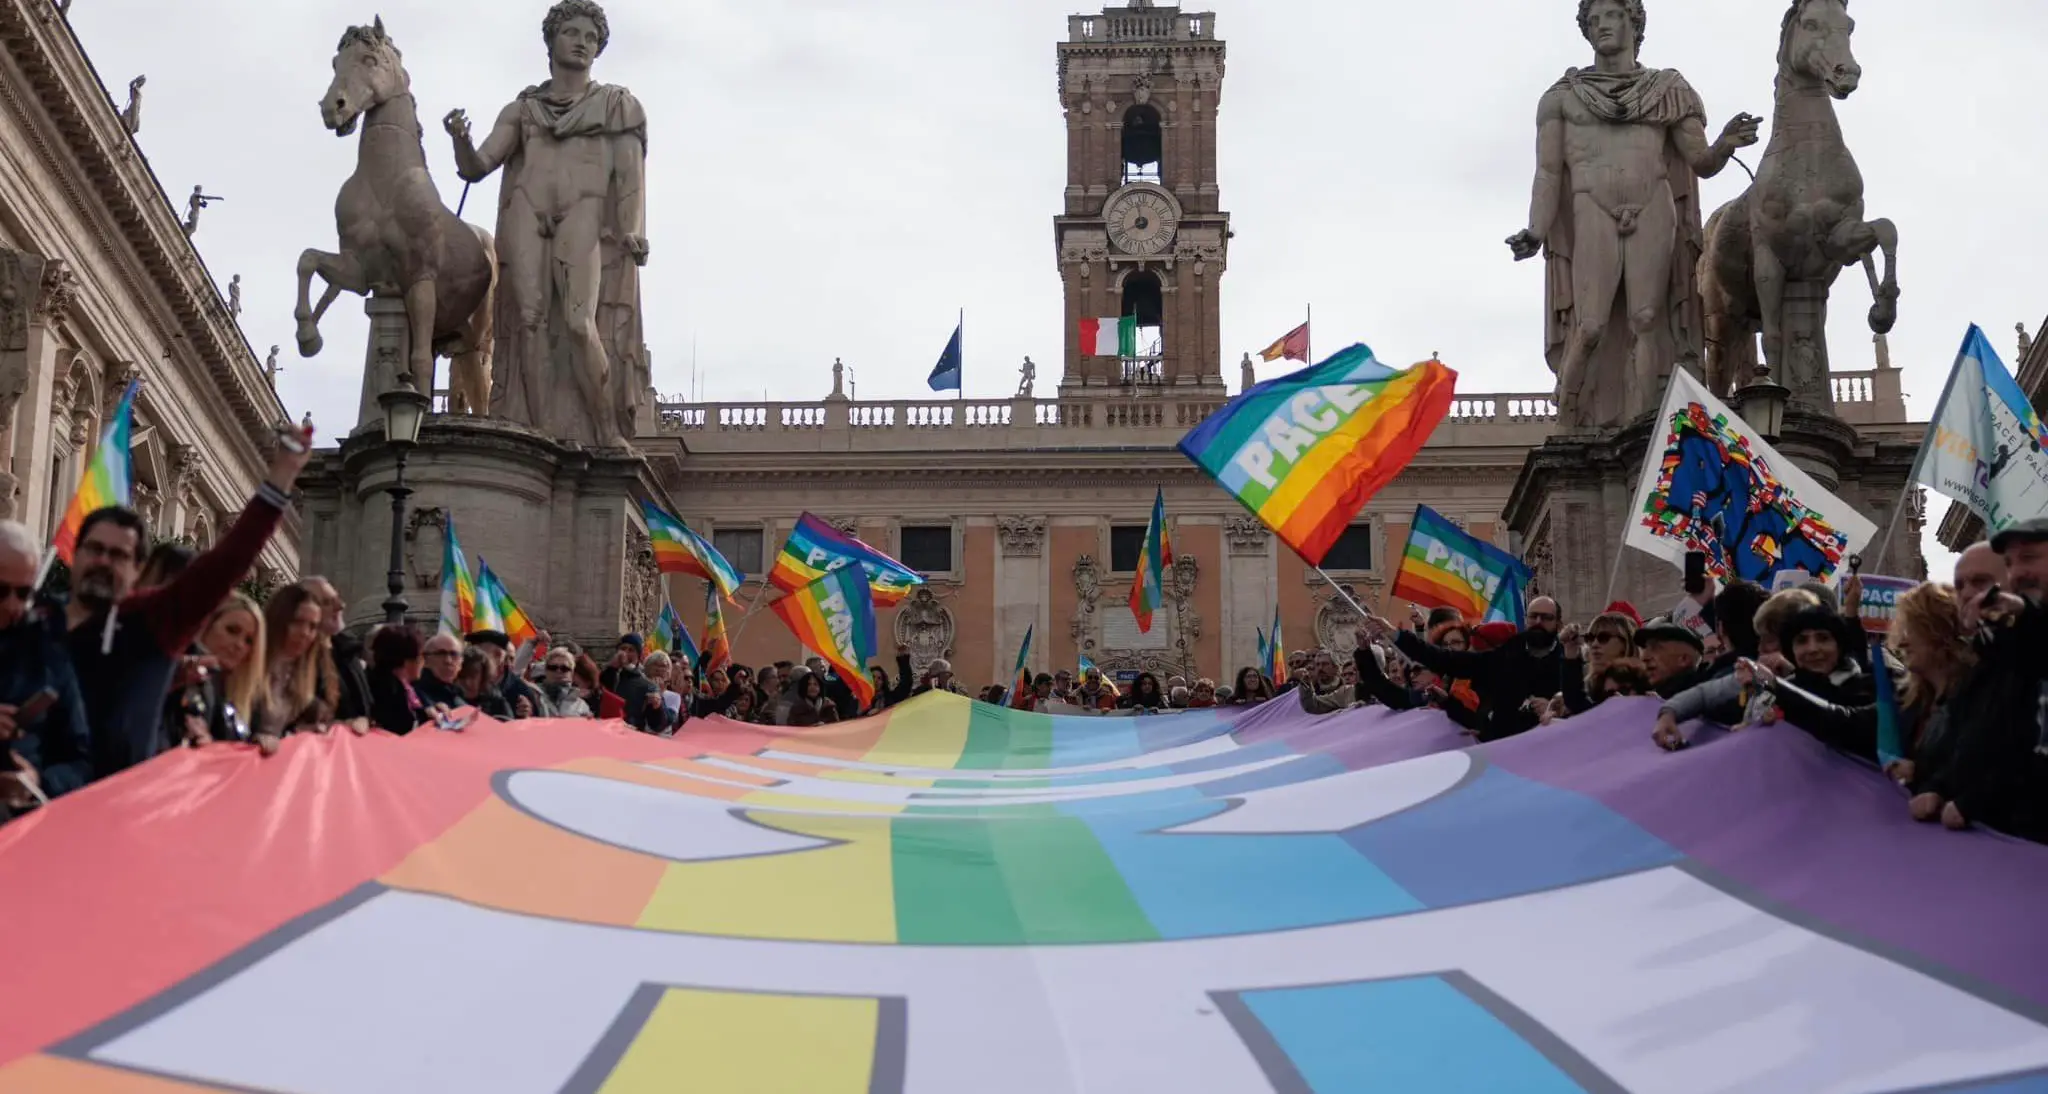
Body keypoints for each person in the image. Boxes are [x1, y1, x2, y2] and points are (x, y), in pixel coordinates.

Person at [65, 420, 313, 779]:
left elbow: (226, 564)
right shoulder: (36, 619)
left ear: (137, 570)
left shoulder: (149, 622)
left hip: (113, 809)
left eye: (119, 556)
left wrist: (283, 473)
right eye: (95, 549)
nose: (103, 562)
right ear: (77, 553)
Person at [1371, 596, 1574, 741]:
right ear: (1527, 620)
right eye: (1534, 617)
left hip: (1553, 752)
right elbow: (1446, 659)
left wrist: (1559, 707)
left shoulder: (1571, 659)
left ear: (1558, 623)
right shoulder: (1508, 653)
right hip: (1505, 755)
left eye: (1546, 618)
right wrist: (1396, 635)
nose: (1538, 622)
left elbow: (1587, 706)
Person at [0, 521, 90, 817]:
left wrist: (37, 780)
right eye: (1, 591)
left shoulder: (49, 656)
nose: (12, 605)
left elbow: (82, 760)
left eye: (24, 594)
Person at [167, 593, 266, 748]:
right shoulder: (182, 672)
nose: (239, 645)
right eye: (232, 630)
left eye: (248, 641)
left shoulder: (243, 698)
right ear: (208, 625)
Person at [257, 583, 343, 748]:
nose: (305, 633)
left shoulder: (302, 674)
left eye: (312, 626)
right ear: (278, 619)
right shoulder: (250, 665)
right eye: (297, 622)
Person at [302, 577, 371, 723]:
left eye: (337, 599)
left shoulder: (348, 651)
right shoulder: (298, 655)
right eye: (327, 602)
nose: (341, 606)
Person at [365, 624, 430, 735]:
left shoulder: (407, 688)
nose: (424, 662)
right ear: (407, 661)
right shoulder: (386, 692)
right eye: (421, 657)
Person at [467, 628, 545, 719]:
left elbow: (534, 727)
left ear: (499, 655)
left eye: (479, 653)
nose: (472, 657)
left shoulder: (521, 691)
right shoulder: (460, 681)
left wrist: (525, 717)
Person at [454, 647, 514, 720]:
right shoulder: (448, 699)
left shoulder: (497, 703)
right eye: (462, 677)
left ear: (483, 677)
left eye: (473, 676)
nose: (467, 682)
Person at [1296, 649, 1357, 715]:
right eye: (1317, 665)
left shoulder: (1345, 690)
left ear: (1335, 667)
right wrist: (1305, 683)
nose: (1320, 668)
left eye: (1325, 664)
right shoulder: (1310, 689)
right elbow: (1312, 705)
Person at [416, 631, 466, 710]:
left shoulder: (461, 694)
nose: (448, 660)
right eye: (440, 653)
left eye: (454, 654)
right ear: (425, 659)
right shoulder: (416, 695)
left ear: (461, 661)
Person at [537, 648, 593, 718]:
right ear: (545, 671)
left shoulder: (581, 705)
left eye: (564, 668)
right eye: (553, 668)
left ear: (571, 673)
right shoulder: (534, 696)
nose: (558, 671)